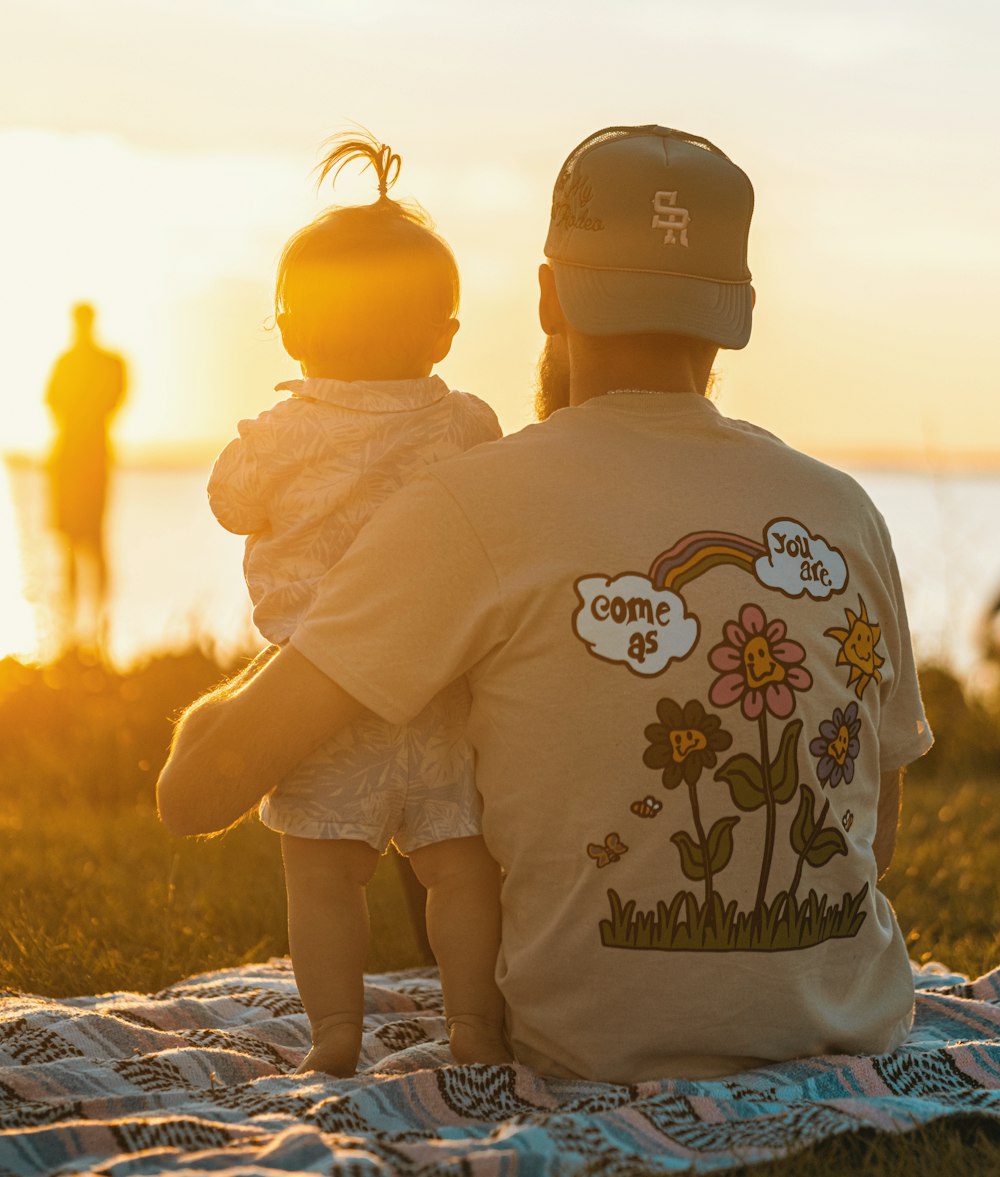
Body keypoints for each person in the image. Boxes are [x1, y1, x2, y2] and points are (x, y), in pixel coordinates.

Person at [158, 124, 933, 1084]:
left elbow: (197, 790)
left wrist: (313, 623)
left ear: (545, 294)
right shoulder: (843, 510)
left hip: (589, 1046)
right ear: (737, 313)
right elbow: (876, 833)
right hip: (847, 1024)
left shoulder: (473, 503)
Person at [203, 132, 506, 1076]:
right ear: (444, 335)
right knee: (459, 867)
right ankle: (474, 1029)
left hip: (317, 695)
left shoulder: (279, 437)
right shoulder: (466, 424)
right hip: (438, 690)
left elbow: (228, 503)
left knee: (324, 877)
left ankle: (336, 1034)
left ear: (291, 332)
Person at [45, 302, 127, 649]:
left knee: (93, 540)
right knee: (70, 544)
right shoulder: (67, 362)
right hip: (69, 460)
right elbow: (50, 401)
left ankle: (97, 625)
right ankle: (70, 630)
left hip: (89, 460)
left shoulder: (109, 363)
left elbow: (113, 400)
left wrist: (80, 415)